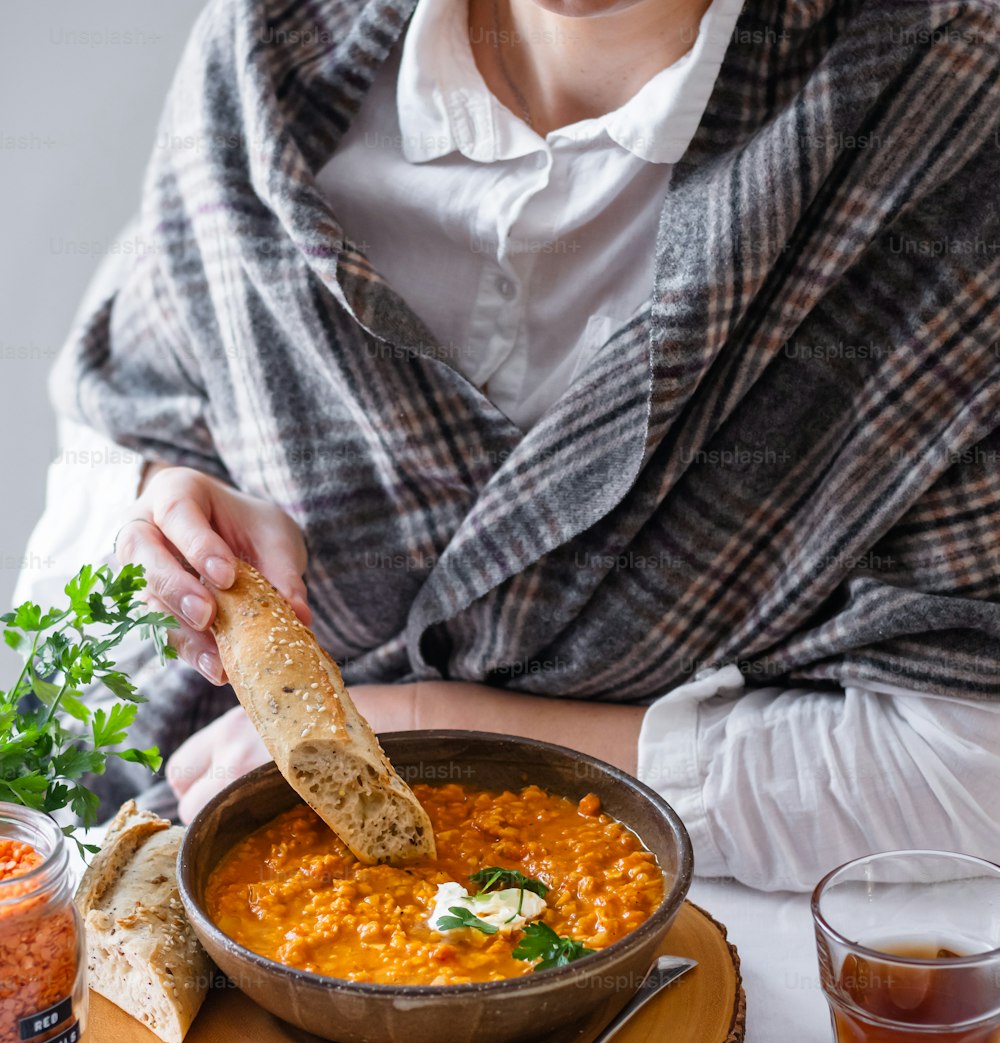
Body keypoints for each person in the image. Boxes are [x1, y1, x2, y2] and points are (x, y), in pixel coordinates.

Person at [35, 0, 1000, 891]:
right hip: (195, 840)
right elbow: (121, 424)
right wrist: (164, 504)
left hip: (693, 929)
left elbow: (968, 771)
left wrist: (432, 729)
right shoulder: (268, 53)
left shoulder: (946, 121)